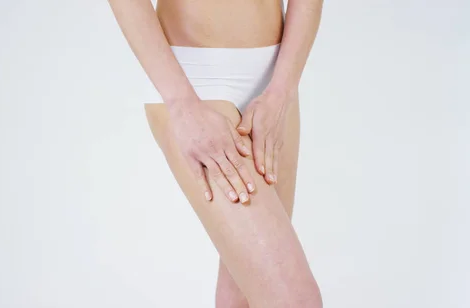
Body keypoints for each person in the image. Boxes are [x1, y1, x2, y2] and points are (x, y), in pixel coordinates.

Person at [108, 0, 323, 306]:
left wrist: (282, 91)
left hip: (276, 85)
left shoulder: (279, 92)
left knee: (243, 299)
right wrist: (181, 102)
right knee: (294, 299)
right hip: (196, 83)